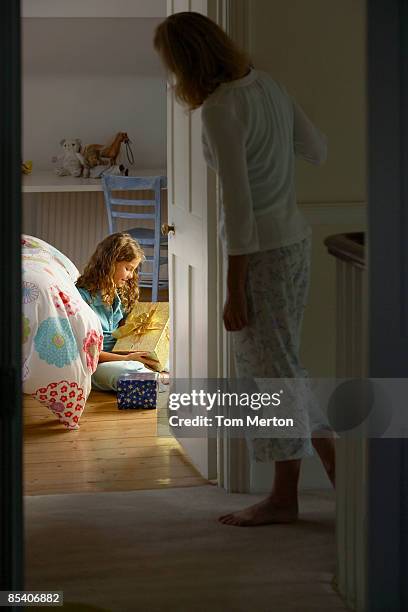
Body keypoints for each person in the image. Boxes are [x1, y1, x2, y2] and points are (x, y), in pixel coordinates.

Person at [154, 12, 335, 526]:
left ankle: (285, 497)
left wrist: (234, 291)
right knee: (286, 371)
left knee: (274, 379)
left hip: (263, 257)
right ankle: (341, 486)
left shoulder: (220, 109)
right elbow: (317, 150)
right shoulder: (269, 86)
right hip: (295, 244)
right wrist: (273, 155)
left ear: (186, 61)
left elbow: (237, 209)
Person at [76, 232, 160, 391]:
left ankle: (157, 381)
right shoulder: (82, 298)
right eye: (128, 268)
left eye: (133, 270)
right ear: (110, 263)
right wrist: (127, 358)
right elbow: (88, 351)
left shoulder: (117, 295)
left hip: (121, 356)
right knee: (131, 372)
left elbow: (126, 333)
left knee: (168, 359)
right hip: (97, 364)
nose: (130, 276)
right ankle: (155, 383)